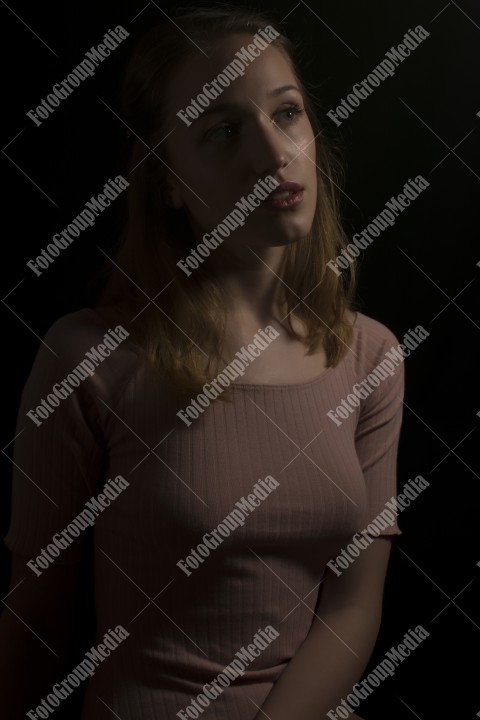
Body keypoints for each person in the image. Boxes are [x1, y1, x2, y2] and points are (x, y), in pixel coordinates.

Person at [1, 6, 404, 719]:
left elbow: (352, 608)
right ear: (166, 182)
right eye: (223, 132)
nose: (273, 155)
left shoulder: (369, 355)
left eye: (287, 114)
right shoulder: (89, 358)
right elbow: (35, 615)